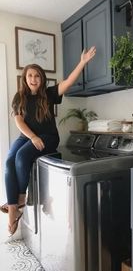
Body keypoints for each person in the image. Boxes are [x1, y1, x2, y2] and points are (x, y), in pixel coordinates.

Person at [0, 46, 96, 236]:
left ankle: (19, 199)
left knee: (21, 156)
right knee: (9, 162)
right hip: (27, 136)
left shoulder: (49, 93)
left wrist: (83, 62)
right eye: (30, 76)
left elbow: (68, 82)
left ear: (41, 78)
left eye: (37, 76)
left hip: (49, 137)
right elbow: (18, 120)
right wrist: (32, 136)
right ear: (25, 79)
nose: (33, 79)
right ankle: (13, 207)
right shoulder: (19, 97)